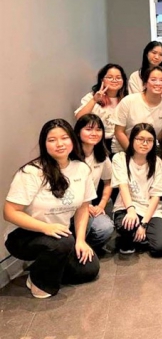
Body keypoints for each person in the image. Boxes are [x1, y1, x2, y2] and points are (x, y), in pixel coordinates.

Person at [3, 119, 99, 298]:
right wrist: (46, 228)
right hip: (24, 235)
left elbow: (83, 208)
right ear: (44, 144)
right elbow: (9, 212)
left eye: (64, 138)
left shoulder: (81, 169)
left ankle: (42, 268)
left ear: (73, 140)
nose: (60, 144)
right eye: (52, 140)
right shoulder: (31, 172)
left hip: (59, 234)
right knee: (63, 243)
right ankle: (39, 282)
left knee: (89, 269)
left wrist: (81, 240)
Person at [112, 123, 162, 257]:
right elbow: (123, 186)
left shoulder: (157, 162)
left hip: (150, 209)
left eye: (149, 140)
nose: (145, 143)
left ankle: (141, 235)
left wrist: (144, 224)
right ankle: (130, 238)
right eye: (140, 139)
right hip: (127, 206)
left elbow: (156, 196)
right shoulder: (120, 158)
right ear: (132, 139)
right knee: (127, 225)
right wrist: (131, 210)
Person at [113, 66, 162, 172]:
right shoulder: (129, 101)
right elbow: (119, 131)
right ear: (145, 83)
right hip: (123, 150)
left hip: (149, 152)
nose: (158, 83)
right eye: (153, 79)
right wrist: (134, 155)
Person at [74, 115, 115, 251]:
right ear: (78, 132)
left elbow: (108, 181)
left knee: (105, 228)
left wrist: (101, 205)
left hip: (90, 207)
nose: (94, 133)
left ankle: (83, 250)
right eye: (89, 129)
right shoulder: (69, 156)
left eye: (98, 129)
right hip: (69, 208)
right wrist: (85, 206)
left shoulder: (102, 156)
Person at [75, 63, 128, 152]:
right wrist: (94, 100)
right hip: (97, 142)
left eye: (118, 78)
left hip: (120, 143)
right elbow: (79, 118)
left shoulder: (127, 99)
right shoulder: (92, 96)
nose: (114, 80)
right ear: (102, 79)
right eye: (110, 77)